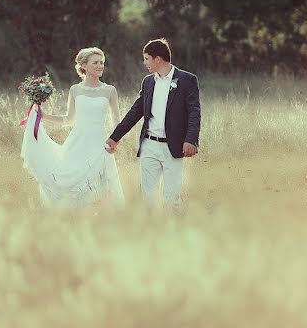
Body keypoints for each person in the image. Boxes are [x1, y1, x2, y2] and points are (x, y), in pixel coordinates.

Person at [21, 47, 125, 210]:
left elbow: (117, 120)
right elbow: (68, 119)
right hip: (78, 142)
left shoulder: (109, 90)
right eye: (95, 62)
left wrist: (116, 140)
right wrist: (44, 115)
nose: (100, 66)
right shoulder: (75, 90)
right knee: (70, 181)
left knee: (102, 184)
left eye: (102, 63)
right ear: (84, 65)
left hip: (100, 143)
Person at [106, 38, 201, 214]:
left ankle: (174, 234)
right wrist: (115, 137)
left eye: (146, 58)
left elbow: (195, 112)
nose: (144, 63)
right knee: (148, 197)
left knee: (171, 197)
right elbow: (135, 112)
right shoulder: (148, 82)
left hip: (173, 146)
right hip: (149, 145)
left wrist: (191, 140)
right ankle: (151, 233)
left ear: (158, 59)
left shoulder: (187, 80)